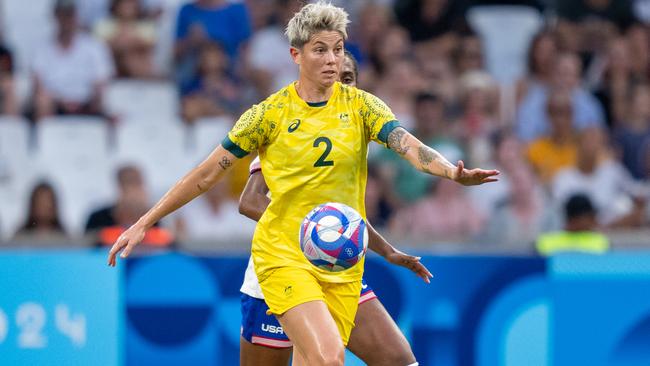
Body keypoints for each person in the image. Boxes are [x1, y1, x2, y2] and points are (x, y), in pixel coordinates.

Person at [108, 3, 498, 365]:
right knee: (327, 357)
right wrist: (146, 221)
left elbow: (410, 146)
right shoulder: (268, 116)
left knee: (399, 361)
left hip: (340, 261)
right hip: (284, 259)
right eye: (320, 50)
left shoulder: (362, 106)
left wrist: (451, 172)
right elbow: (207, 173)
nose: (332, 60)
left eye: (339, 50)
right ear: (296, 55)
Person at [237, 51, 427, 366]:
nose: (340, 84)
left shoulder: (355, 134)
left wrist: (387, 250)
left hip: (336, 270)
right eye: (334, 76)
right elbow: (250, 200)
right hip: (280, 269)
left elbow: (345, 220)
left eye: (348, 78)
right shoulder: (290, 130)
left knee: (398, 359)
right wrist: (313, 229)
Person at [536, 193, 609, 256]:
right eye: (590, 217)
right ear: (574, 219)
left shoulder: (600, 240)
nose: (594, 220)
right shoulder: (545, 242)